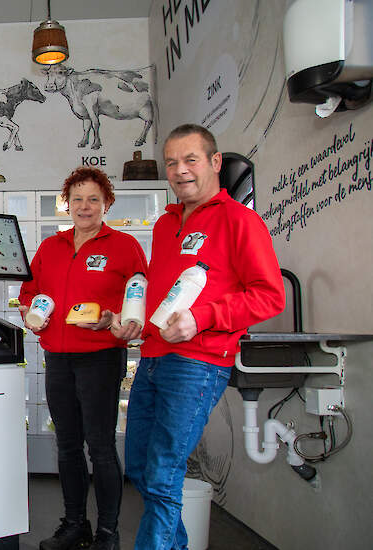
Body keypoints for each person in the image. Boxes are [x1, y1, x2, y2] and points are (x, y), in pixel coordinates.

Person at [118, 124, 284, 550]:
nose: (180, 170)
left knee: (162, 471)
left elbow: (269, 296)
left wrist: (202, 318)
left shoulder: (240, 220)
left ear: (214, 162)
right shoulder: (165, 223)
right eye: (172, 162)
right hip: (153, 358)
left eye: (190, 159)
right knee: (139, 465)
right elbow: (165, 294)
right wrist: (135, 323)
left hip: (199, 362)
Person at [19, 167, 148, 550]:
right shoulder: (50, 247)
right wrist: (29, 312)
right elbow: (30, 291)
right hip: (58, 358)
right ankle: (75, 524)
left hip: (101, 358)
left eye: (93, 198)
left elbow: (140, 297)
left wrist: (114, 319)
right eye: (77, 199)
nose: (85, 206)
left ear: (106, 203)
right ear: (67, 205)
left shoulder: (124, 246)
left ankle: (108, 532)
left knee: (101, 446)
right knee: (68, 446)